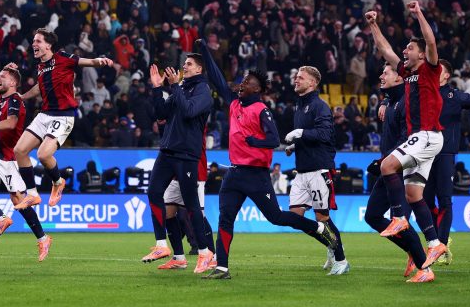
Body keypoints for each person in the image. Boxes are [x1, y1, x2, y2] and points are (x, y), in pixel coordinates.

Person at [200, 41, 337, 279]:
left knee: (276, 217)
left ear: (257, 89)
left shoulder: (262, 110)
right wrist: (205, 51)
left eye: (247, 83)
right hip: (234, 173)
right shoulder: (234, 104)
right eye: (242, 81)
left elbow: (274, 140)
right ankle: (222, 267)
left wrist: (254, 141)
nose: (242, 84)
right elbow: (217, 79)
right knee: (225, 218)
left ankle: (317, 227)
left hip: (256, 175)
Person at [367, 1, 446, 277]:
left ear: (422, 54)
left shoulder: (430, 69)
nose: (404, 51)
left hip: (427, 134)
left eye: (410, 48)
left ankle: (399, 218)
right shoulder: (407, 73)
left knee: (388, 166)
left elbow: (431, 41)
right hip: (424, 139)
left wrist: (419, 14)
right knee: (414, 195)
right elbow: (385, 50)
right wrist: (373, 25)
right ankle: (434, 245)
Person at [13, 28, 114, 210]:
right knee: (19, 151)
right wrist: (23, 96)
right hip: (44, 114)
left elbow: (87, 61)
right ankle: (33, 195)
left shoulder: (62, 57)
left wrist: (101, 61)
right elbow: (39, 87)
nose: (34, 44)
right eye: (33, 41)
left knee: (43, 154)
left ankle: (58, 182)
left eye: (38, 41)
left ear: (48, 45)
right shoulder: (41, 66)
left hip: (63, 115)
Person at [0, 65, 52, 261]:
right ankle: (1, 218)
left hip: (10, 158)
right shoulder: (0, 97)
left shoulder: (15, 100)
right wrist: (4, 70)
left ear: (13, 83)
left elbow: (11, 123)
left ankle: (43, 238)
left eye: (3, 77)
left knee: (18, 201)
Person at [140, 53, 214, 274]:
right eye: (184, 63)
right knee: (154, 191)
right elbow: (161, 113)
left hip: (186, 154)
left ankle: (205, 252)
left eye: (189, 64)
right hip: (168, 150)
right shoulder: (180, 88)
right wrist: (157, 88)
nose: (185, 66)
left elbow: (189, 111)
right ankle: (162, 245)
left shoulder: (203, 91)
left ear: (199, 69)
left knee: (191, 206)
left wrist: (174, 87)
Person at [364, 63, 430, 283]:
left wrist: (384, 161)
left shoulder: (407, 103)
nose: (381, 76)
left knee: (398, 219)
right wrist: (384, 101)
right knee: (372, 216)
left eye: (386, 73)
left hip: (400, 168)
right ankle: (413, 250)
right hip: (389, 168)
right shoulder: (392, 100)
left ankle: (425, 268)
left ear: (400, 78)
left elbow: (407, 139)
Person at [284, 65, 349, 275]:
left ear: (312, 83)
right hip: (302, 171)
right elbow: (309, 137)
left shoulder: (320, 106)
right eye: (296, 76)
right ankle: (330, 244)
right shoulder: (299, 106)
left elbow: (324, 135)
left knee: (322, 218)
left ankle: (341, 260)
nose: (296, 80)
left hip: (319, 170)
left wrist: (299, 133)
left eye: (301, 77)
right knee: (296, 218)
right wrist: (295, 145)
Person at [423, 59, 470, 264]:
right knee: (425, 200)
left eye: (438, 70)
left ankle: (441, 243)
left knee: (444, 199)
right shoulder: (423, 93)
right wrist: (385, 102)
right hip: (425, 154)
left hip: (446, 154)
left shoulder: (455, 96)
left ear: (447, 75)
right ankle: (436, 241)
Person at [156, 132, 216, 270]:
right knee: (168, 212)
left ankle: (212, 257)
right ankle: (179, 258)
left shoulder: (194, 120)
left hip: (193, 170)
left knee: (198, 214)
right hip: (175, 173)